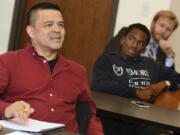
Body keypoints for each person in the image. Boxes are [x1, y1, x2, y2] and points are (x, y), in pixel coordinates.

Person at [0, 2, 103, 135]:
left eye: (61, 25)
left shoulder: (77, 71)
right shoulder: (8, 62)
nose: (57, 29)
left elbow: (89, 115)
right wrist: (7, 109)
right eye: (49, 25)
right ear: (31, 31)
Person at [91, 23, 180, 135]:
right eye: (131, 39)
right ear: (123, 40)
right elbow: (99, 85)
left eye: (140, 43)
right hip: (112, 121)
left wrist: (165, 83)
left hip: (143, 123)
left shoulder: (151, 65)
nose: (134, 45)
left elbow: (177, 78)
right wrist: (136, 92)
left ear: (144, 49)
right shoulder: (107, 60)